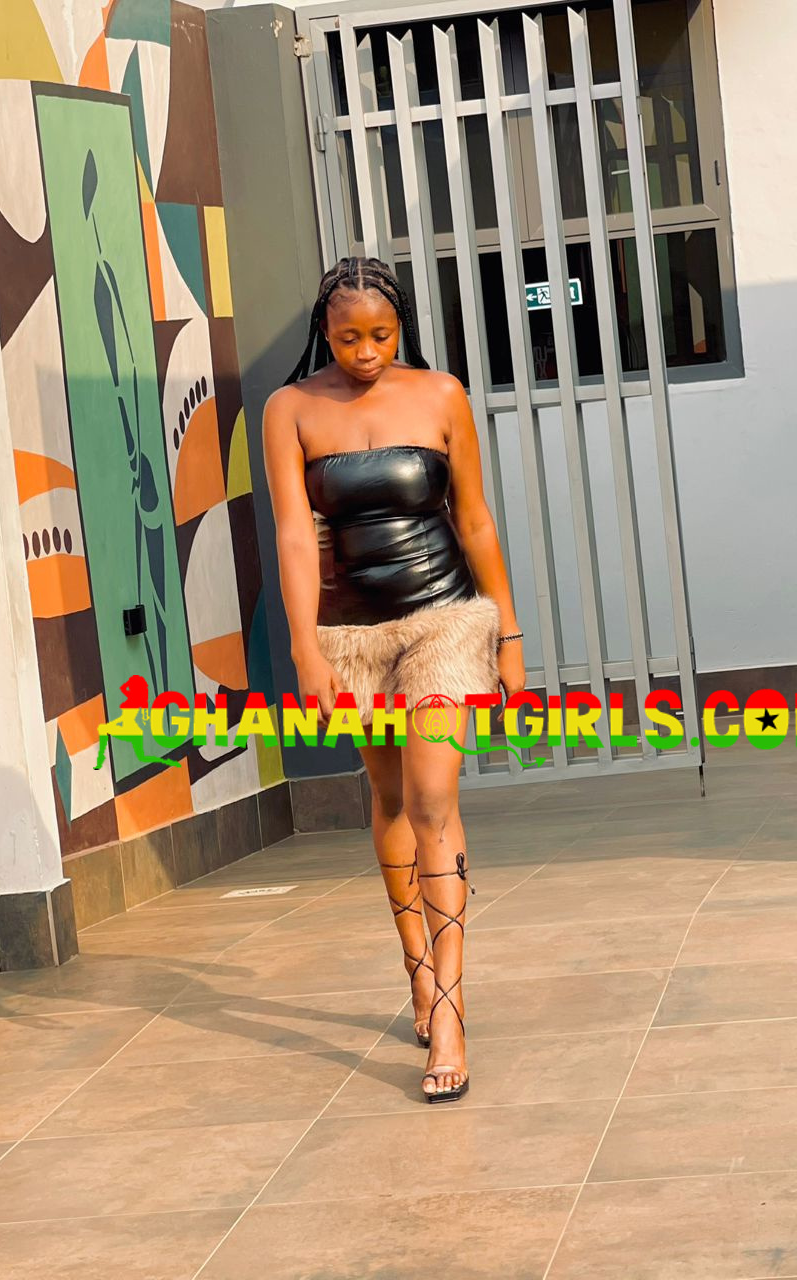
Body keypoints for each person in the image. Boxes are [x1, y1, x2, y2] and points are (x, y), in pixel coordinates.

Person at [262, 256, 525, 1103]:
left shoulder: (442, 395)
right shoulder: (290, 409)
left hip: (444, 620)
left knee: (432, 800)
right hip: (350, 635)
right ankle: (418, 969)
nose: (367, 351)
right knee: (387, 799)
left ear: (401, 325)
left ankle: (448, 1012)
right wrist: (306, 649)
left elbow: (472, 518)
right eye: (349, 338)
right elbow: (294, 536)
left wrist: (508, 634)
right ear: (325, 332)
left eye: (381, 334)